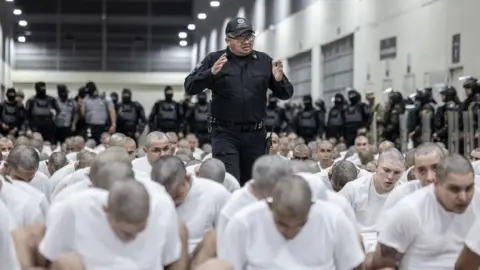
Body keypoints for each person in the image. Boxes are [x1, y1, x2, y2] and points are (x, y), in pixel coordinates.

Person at [184, 17, 294, 186]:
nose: (247, 42)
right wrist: (210, 74)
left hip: (255, 135)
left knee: (254, 184)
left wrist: (279, 80)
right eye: (241, 38)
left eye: (250, 37)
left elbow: (286, 94)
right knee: (230, 181)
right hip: (225, 134)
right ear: (228, 40)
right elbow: (190, 86)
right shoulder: (214, 59)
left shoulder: (264, 61)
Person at [220, 175, 364, 269]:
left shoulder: (333, 218)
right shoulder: (244, 222)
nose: (290, 232)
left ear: (311, 207)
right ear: (270, 206)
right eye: (282, 224)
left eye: (301, 225)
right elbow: (229, 265)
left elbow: (353, 265)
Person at [371, 154, 479, 270]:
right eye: (454, 189)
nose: (463, 197)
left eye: (469, 188)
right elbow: (381, 265)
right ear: (437, 184)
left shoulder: (477, 201)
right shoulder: (408, 211)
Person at [151, 156, 230, 254]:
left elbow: (229, 239)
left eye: (176, 197)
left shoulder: (216, 193)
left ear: (187, 179)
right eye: (166, 198)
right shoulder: (151, 197)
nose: (171, 203)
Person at [340, 148, 404, 251]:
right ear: (376, 166)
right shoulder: (353, 188)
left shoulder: (404, 194)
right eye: (386, 170)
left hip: (388, 247)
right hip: (354, 244)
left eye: (397, 172)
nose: (390, 177)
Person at [382, 142, 446, 211]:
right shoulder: (401, 201)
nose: (429, 177)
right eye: (422, 170)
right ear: (415, 172)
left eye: (435, 168)